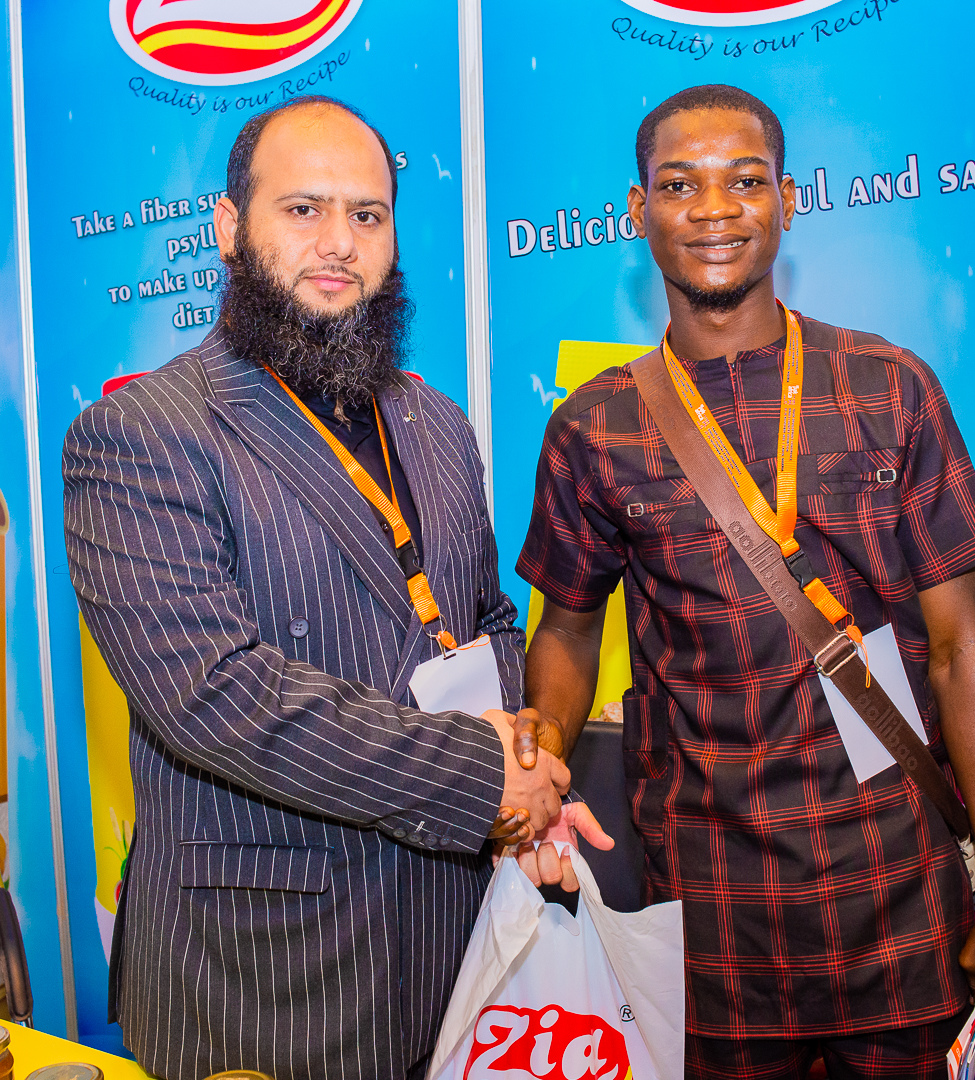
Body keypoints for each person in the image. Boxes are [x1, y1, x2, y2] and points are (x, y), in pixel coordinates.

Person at [513, 84, 975, 1078]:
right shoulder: (593, 427)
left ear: (789, 200)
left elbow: (960, 652)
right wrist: (537, 766)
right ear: (637, 210)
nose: (714, 210)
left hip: (899, 893)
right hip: (710, 913)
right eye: (680, 185)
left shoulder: (890, 387)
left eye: (745, 181)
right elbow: (564, 631)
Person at [63, 95, 598, 1080]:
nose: (339, 243)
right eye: (303, 210)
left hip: (457, 948)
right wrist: (485, 781)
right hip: (267, 982)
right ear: (229, 227)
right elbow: (215, 697)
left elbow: (483, 622)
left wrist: (526, 780)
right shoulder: (142, 435)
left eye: (367, 214)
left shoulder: (435, 424)